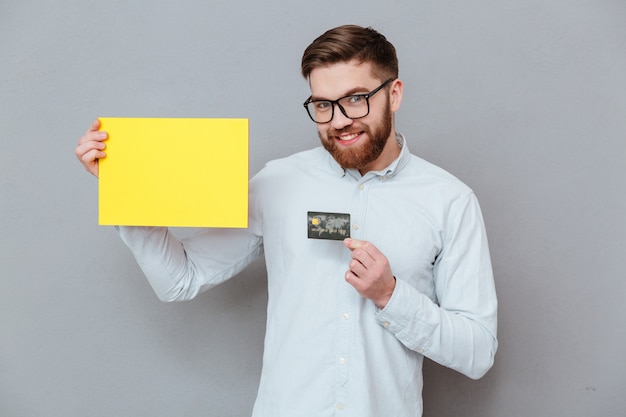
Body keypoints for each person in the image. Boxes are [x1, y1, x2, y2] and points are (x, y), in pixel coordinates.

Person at [75, 24, 497, 417]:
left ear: (395, 93)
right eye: (322, 105)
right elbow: (180, 278)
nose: (340, 121)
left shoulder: (450, 200)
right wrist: (123, 189)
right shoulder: (278, 182)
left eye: (356, 98)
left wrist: (391, 295)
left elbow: (477, 354)